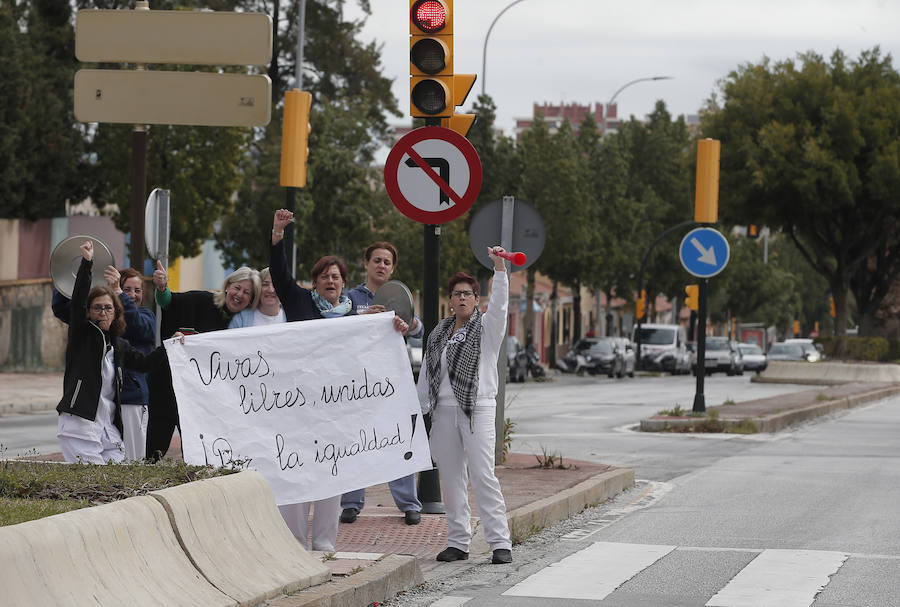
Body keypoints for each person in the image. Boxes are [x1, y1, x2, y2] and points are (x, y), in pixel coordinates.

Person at [269, 209, 410, 552]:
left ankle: (324, 544)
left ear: (343, 283)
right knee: (297, 474)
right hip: (299, 404)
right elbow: (279, 272)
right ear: (314, 281)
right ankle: (295, 545)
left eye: (336, 277)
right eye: (324, 277)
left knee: (332, 474)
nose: (330, 282)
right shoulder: (299, 300)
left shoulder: (353, 313)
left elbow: (373, 342)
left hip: (336, 409)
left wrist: (394, 328)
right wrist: (277, 235)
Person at [416, 247, 513, 565]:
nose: (461, 299)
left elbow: (499, 307)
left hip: (477, 408)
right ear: (450, 299)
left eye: (468, 294)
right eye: (456, 294)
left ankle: (500, 542)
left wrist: (499, 271)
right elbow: (427, 374)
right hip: (443, 411)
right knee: (451, 477)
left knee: (483, 475)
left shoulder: (486, 329)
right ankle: (458, 541)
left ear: (476, 299)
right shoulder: (439, 333)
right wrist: (420, 410)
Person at [56, 241, 166, 464]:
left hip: (107, 427)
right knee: (92, 480)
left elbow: (145, 363)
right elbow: (76, 303)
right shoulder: (83, 334)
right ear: (89, 312)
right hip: (80, 422)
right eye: (98, 307)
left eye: (109, 308)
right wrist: (86, 264)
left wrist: (171, 346)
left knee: (119, 473)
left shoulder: (118, 344)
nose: (104, 313)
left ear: (117, 312)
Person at [340, 242, 423, 526]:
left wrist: (407, 324)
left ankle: (409, 504)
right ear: (366, 263)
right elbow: (339, 328)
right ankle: (351, 503)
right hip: (357, 381)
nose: (382, 266)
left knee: (399, 438)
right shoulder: (351, 298)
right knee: (354, 442)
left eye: (387, 262)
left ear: (392, 268)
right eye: (377, 260)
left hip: (392, 381)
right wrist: (363, 319)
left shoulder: (399, 295)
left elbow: (418, 327)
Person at [145, 262, 260, 460]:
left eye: (247, 292)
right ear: (227, 286)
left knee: (201, 455)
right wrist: (162, 287)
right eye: (237, 287)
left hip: (202, 400)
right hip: (168, 387)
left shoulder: (243, 326)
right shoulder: (199, 300)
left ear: (251, 300)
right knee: (154, 453)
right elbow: (169, 302)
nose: (239, 294)